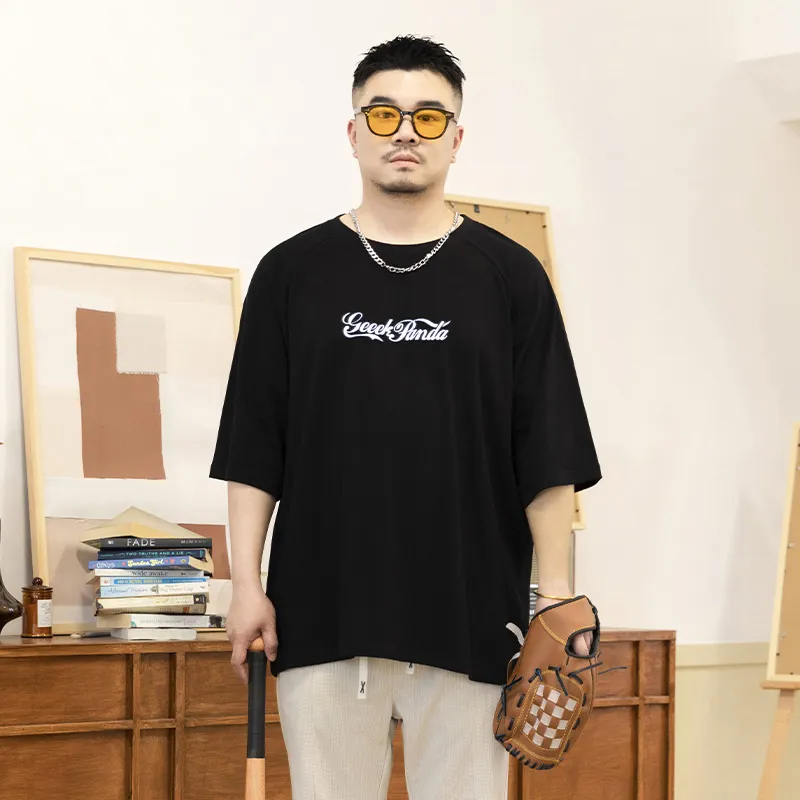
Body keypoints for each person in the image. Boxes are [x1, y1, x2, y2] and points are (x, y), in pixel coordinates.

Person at [210, 34, 602, 800]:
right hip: (321, 612)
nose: (405, 133)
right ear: (353, 131)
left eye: (428, 117)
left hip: (472, 613)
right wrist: (246, 585)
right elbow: (254, 447)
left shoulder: (510, 276)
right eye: (384, 113)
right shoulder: (291, 273)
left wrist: (555, 596)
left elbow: (548, 447)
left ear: (456, 137)